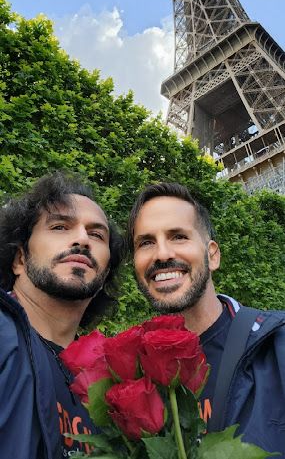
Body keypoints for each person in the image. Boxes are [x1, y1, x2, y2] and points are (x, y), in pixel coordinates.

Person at [127, 181, 285, 456]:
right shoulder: (132, 371)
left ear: (212, 255)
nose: (162, 254)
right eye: (146, 242)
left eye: (178, 236)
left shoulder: (277, 347)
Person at [0, 171, 123, 459]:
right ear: (19, 259)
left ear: (104, 275)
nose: (82, 239)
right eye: (59, 227)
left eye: (96, 234)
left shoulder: (111, 380)